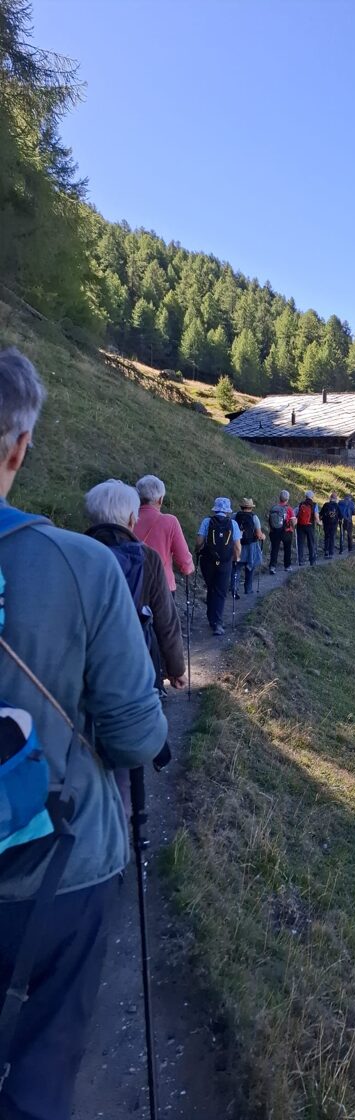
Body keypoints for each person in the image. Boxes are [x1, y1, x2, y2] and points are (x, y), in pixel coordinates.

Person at [0, 348, 168, 1120]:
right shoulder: (81, 568)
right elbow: (134, 739)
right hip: (58, 870)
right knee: (41, 1073)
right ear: (19, 446)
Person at [84, 480, 187, 691]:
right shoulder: (147, 557)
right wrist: (175, 668)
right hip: (135, 664)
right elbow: (166, 621)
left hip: (86, 665)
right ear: (132, 519)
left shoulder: (75, 552)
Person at [134, 474, 194, 596]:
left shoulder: (127, 518)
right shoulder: (170, 521)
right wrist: (189, 567)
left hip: (132, 584)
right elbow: (184, 561)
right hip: (162, 586)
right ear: (160, 499)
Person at [196, 497, 241, 635]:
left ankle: (211, 618)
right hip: (225, 562)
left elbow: (199, 541)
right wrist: (236, 558)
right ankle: (217, 623)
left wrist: (198, 551)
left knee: (211, 588)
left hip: (208, 561)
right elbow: (237, 546)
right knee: (220, 591)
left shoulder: (207, 521)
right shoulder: (233, 523)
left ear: (215, 508)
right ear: (227, 510)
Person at [232, 498, 264, 596]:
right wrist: (263, 536)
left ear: (241, 507)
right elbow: (258, 534)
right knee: (250, 567)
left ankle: (234, 589)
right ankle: (248, 589)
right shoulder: (254, 517)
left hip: (237, 544)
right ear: (251, 507)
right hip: (250, 546)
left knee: (236, 568)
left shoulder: (234, 516)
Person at [267, 491, 295, 572]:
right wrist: (293, 524)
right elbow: (293, 522)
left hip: (275, 531)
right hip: (286, 531)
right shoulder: (289, 509)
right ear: (288, 499)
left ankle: (272, 567)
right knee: (287, 549)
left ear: (280, 498)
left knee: (274, 549)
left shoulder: (274, 508)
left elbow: (269, 520)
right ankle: (287, 566)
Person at [295, 490, 318, 567]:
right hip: (310, 526)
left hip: (300, 526)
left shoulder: (301, 504)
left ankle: (300, 561)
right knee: (311, 543)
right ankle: (312, 561)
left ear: (306, 496)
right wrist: (319, 522)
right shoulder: (314, 505)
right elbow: (316, 517)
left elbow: (295, 513)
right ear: (312, 497)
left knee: (300, 543)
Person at [320, 491, 341, 558]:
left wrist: (321, 519)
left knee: (326, 537)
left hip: (326, 524)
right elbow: (340, 516)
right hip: (334, 524)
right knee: (332, 537)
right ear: (335, 498)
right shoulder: (337, 506)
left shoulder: (326, 504)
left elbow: (321, 514)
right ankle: (331, 553)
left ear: (330, 498)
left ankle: (326, 551)